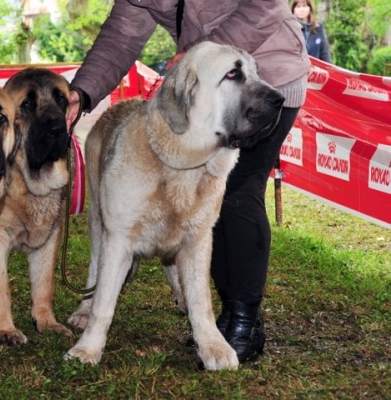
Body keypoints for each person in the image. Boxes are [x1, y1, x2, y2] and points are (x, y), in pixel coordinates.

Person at [66, 0, 311, 364]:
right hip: (206, 90)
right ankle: (219, 322)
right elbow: (121, 35)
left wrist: (198, 56)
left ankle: (243, 322)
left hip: (270, 74)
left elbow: (267, 5)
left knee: (236, 194)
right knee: (203, 210)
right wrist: (81, 92)